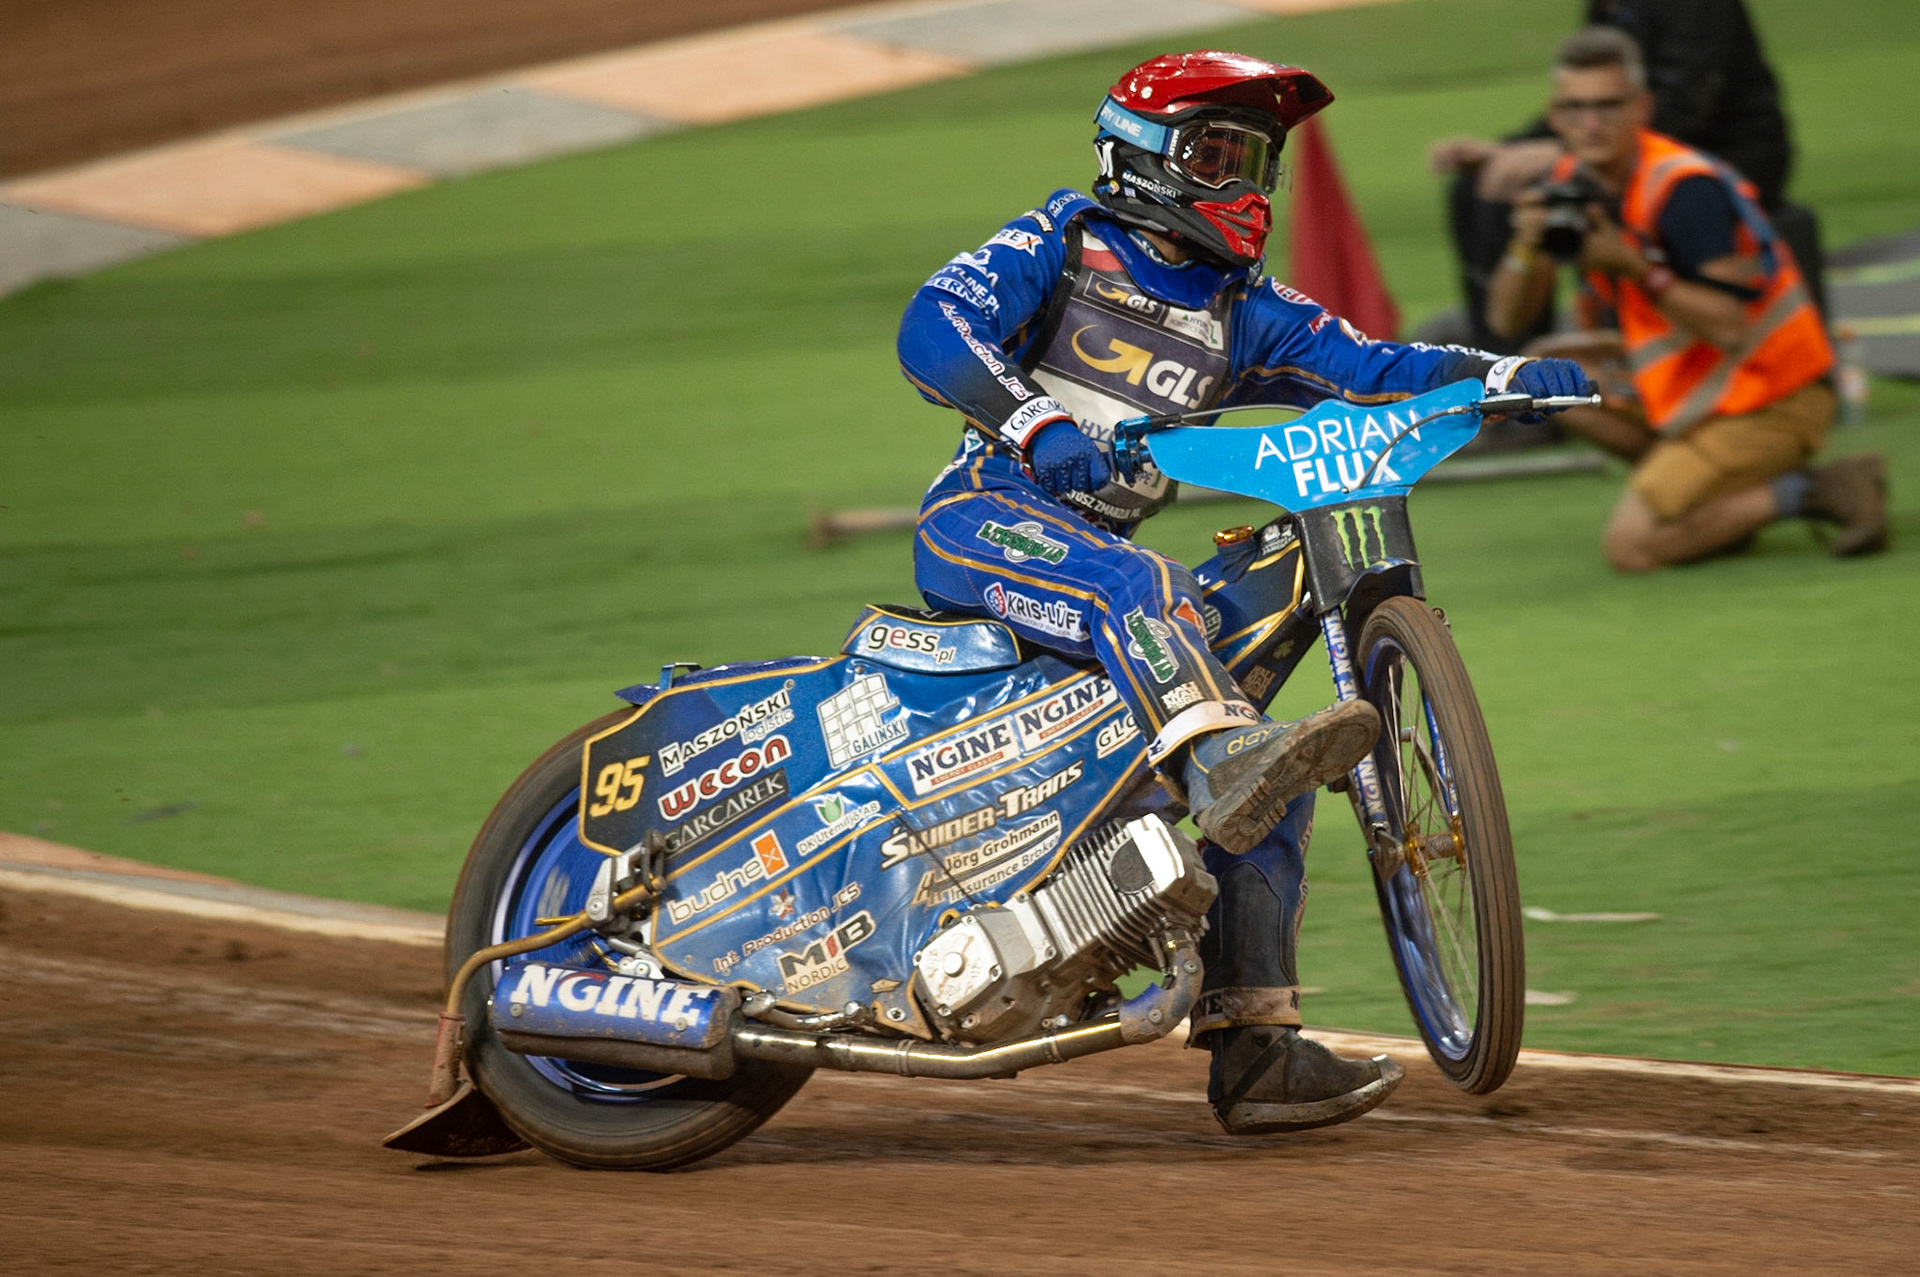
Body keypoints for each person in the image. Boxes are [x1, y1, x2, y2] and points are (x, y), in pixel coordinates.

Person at [896, 50, 1592, 1134]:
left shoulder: (1244, 307)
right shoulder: (1065, 241)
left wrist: (1499, 375)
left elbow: (1379, 366)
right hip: (984, 518)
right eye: (1220, 156)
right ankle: (1222, 757)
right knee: (1160, 604)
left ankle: (1256, 1049)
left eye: (1258, 161)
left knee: (1269, 758)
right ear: (1145, 157)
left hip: (1109, 566)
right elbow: (935, 324)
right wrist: (1033, 422)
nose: (1249, 186)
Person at [1485, 27, 1887, 570]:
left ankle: (1812, 490)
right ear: (1554, 117)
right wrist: (1523, 245)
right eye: (1575, 108)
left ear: (1642, 108)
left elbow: (1729, 329)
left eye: (1608, 105)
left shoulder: (1684, 190)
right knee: (1539, 376)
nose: (1591, 124)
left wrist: (1631, 265)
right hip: (1698, 385)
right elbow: (1505, 320)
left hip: (1772, 394)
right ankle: (1709, 504)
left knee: (1631, 547)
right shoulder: (1569, 184)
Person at [1429, 0, 1798, 352]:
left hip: (1723, 150)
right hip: (1633, 145)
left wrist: (1565, 151)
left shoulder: (1687, 182)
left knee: (1578, 193)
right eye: (1571, 111)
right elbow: (1592, 90)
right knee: (1486, 188)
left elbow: (1686, 100)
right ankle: (1506, 375)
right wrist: (1507, 153)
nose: (1586, 119)